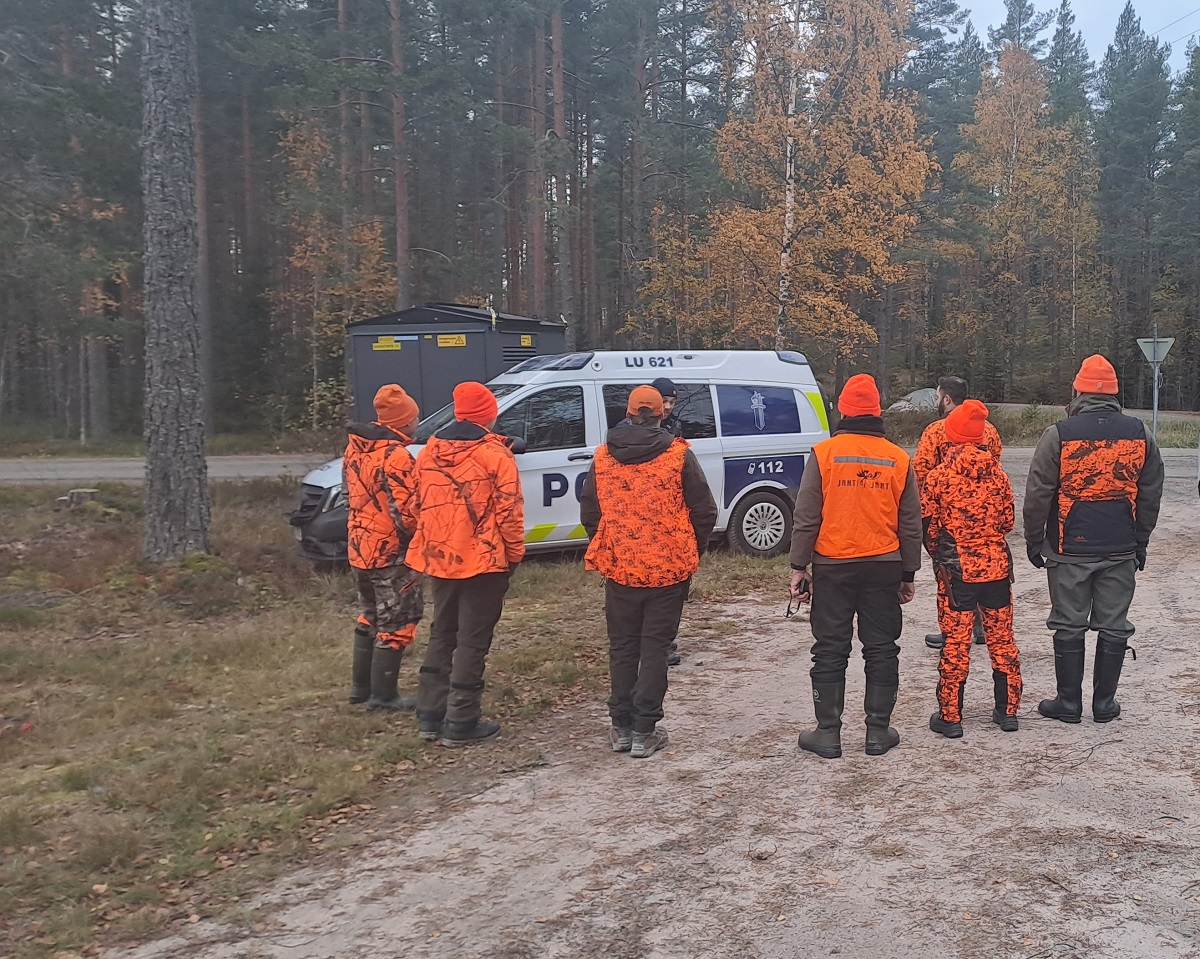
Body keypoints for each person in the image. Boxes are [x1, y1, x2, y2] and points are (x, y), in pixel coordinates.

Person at [1024, 355, 1164, 724]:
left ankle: (1068, 704)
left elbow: (1038, 493)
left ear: (1078, 390)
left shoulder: (1058, 433)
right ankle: (1104, 704)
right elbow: (1151, 493)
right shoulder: (1140, 434)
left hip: (1069, 547)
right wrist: (1141, 542)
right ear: (1115, 394)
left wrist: (1034, 540)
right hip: (1120, 548)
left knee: (1069, 622)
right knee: (1114, 623)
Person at [789, 374, 923, 760]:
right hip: (883, 566)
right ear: (878, 411)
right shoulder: (898, 458)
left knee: (830, 649)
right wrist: (908, 573)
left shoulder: (825, 453)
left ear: (842, 409)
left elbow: (806, 516)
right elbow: (910, 522)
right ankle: (878, 732)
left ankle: (828, 733)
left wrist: (799, 566)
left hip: (833, 566)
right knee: (882, 648)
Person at [580, 385, 717, 759]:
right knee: (655, 647)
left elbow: (590, 511)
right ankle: (645, 731)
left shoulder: (603, 456)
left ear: (628, 412)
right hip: (669, 569)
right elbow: (704, 510)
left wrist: (611, 543)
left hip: (621, 567)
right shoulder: (677, 455)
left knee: (623, 646)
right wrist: (692, 549)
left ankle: (621, 727)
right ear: (662, 413)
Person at [406, 381, 525, 747]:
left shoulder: (427, 453)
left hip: (439, 557)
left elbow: (414, 506)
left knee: (443, 632)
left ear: (458, 412)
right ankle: (462, 719)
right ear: (489, 415)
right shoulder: (495, 456)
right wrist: (514, 555)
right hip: (484, 561)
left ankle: (429, 714)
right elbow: (510, 514)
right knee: (472, 639)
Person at [921, 400, 1022, 737]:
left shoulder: (937, 478)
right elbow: (1008, 522)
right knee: (1002, 640)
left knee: (956, 643)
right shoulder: (999, 475)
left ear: (949, 437)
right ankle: (1007, 712)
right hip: (996, 568)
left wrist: (942, 553)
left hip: (957, 573)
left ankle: (951, 717)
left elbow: (930, 530)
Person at [343, 384, 424, 711]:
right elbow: (406, 513)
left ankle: (360, 690)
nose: (417, 423)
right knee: (398, 620)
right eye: (415, 418)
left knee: (371, 615)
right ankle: (383, 697)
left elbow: (353, 499)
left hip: (359, 548)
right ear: (403, 422)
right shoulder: (396, 456)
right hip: (391, 554)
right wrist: (420, 545)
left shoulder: (355, 449)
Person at [913, 376, 1003, 650]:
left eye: (938, 395)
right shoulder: (990, 430)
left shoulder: (936, 431)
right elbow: (994, 467)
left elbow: (920, 472)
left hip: (947, 518)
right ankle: (982, 627)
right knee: (983, 570)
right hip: (985, 516)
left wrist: (924, 509)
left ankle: (953, 630)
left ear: (947, 399)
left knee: (948, 573)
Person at [650, 376, 685, 665]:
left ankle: (666, 642)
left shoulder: (675, 429)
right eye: (665, 402)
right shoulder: (630, 431)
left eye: (672, 402)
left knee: (669, 588)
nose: (669, 407)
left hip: (669, 517)